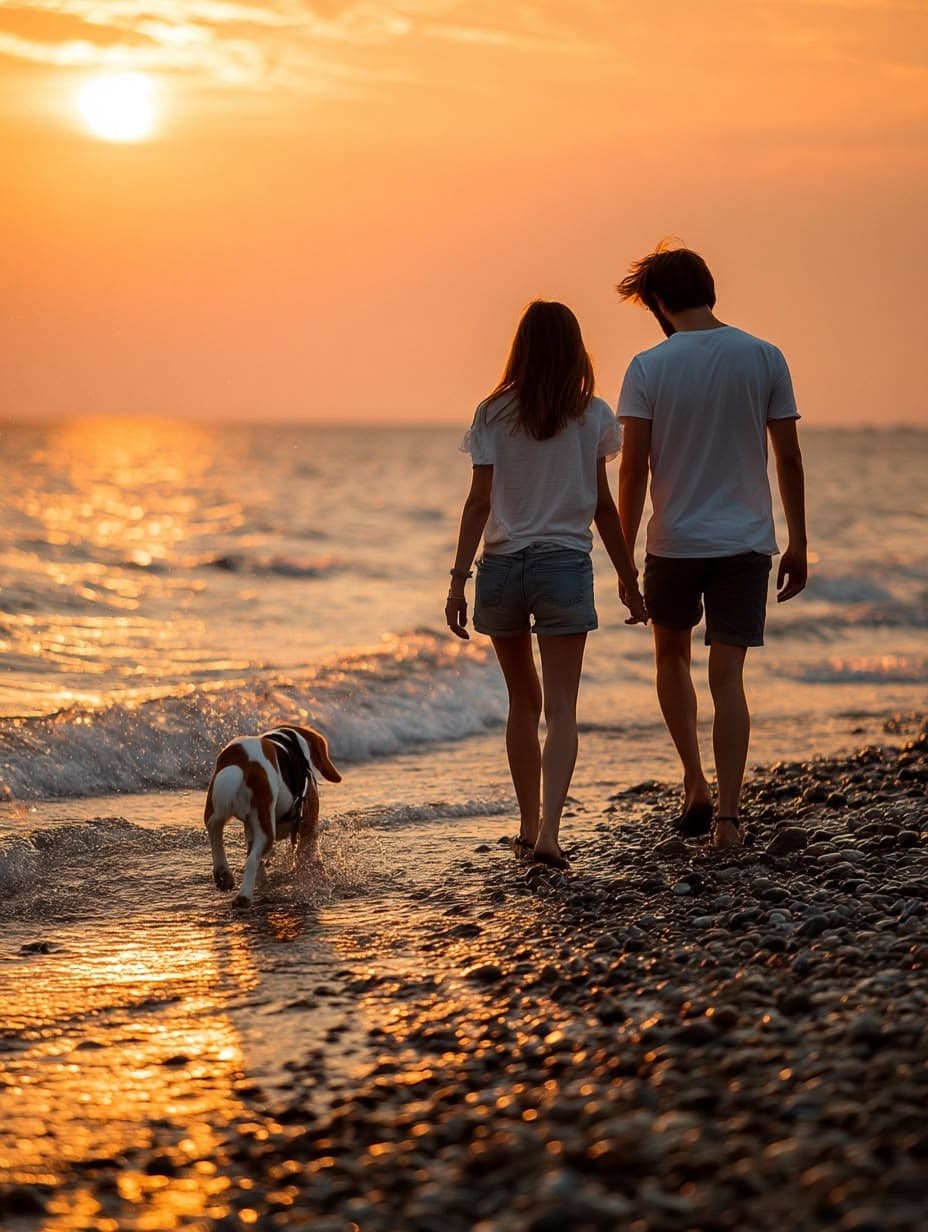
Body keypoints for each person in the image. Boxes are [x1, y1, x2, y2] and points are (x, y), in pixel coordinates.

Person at [616, 242, 807, 850]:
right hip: (746, 541)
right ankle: (727, 818)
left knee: (670, 659)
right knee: (729, 677)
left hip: (673, 542)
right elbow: (789, 458)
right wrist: (799, 541)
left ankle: (694, 780)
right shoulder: (764, 356)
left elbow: (634, 471)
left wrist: (623, 557)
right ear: (710, 290)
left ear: (661, 303)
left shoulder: (648, 366)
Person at [446, 300, 647, 869]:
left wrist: (458, 582)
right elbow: (604, 509)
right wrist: (629, 580)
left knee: (521, 702)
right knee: (561, 707)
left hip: (503, 568)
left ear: (522, 348)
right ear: (576, 349)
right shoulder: (594, 414)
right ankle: (550, 834)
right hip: (563, 566)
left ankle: (527, 824)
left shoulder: (492, 414)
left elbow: (479, 502)